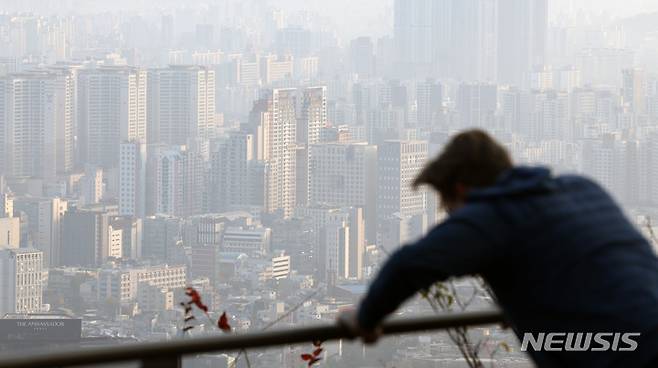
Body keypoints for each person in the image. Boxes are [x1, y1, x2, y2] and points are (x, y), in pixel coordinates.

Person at [338, 129, 658, 368]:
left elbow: (409, 265)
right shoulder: (581, 187)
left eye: (447, 205)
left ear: (461, 190)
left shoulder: (493, 217)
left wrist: (366, 317)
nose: (449, 215)